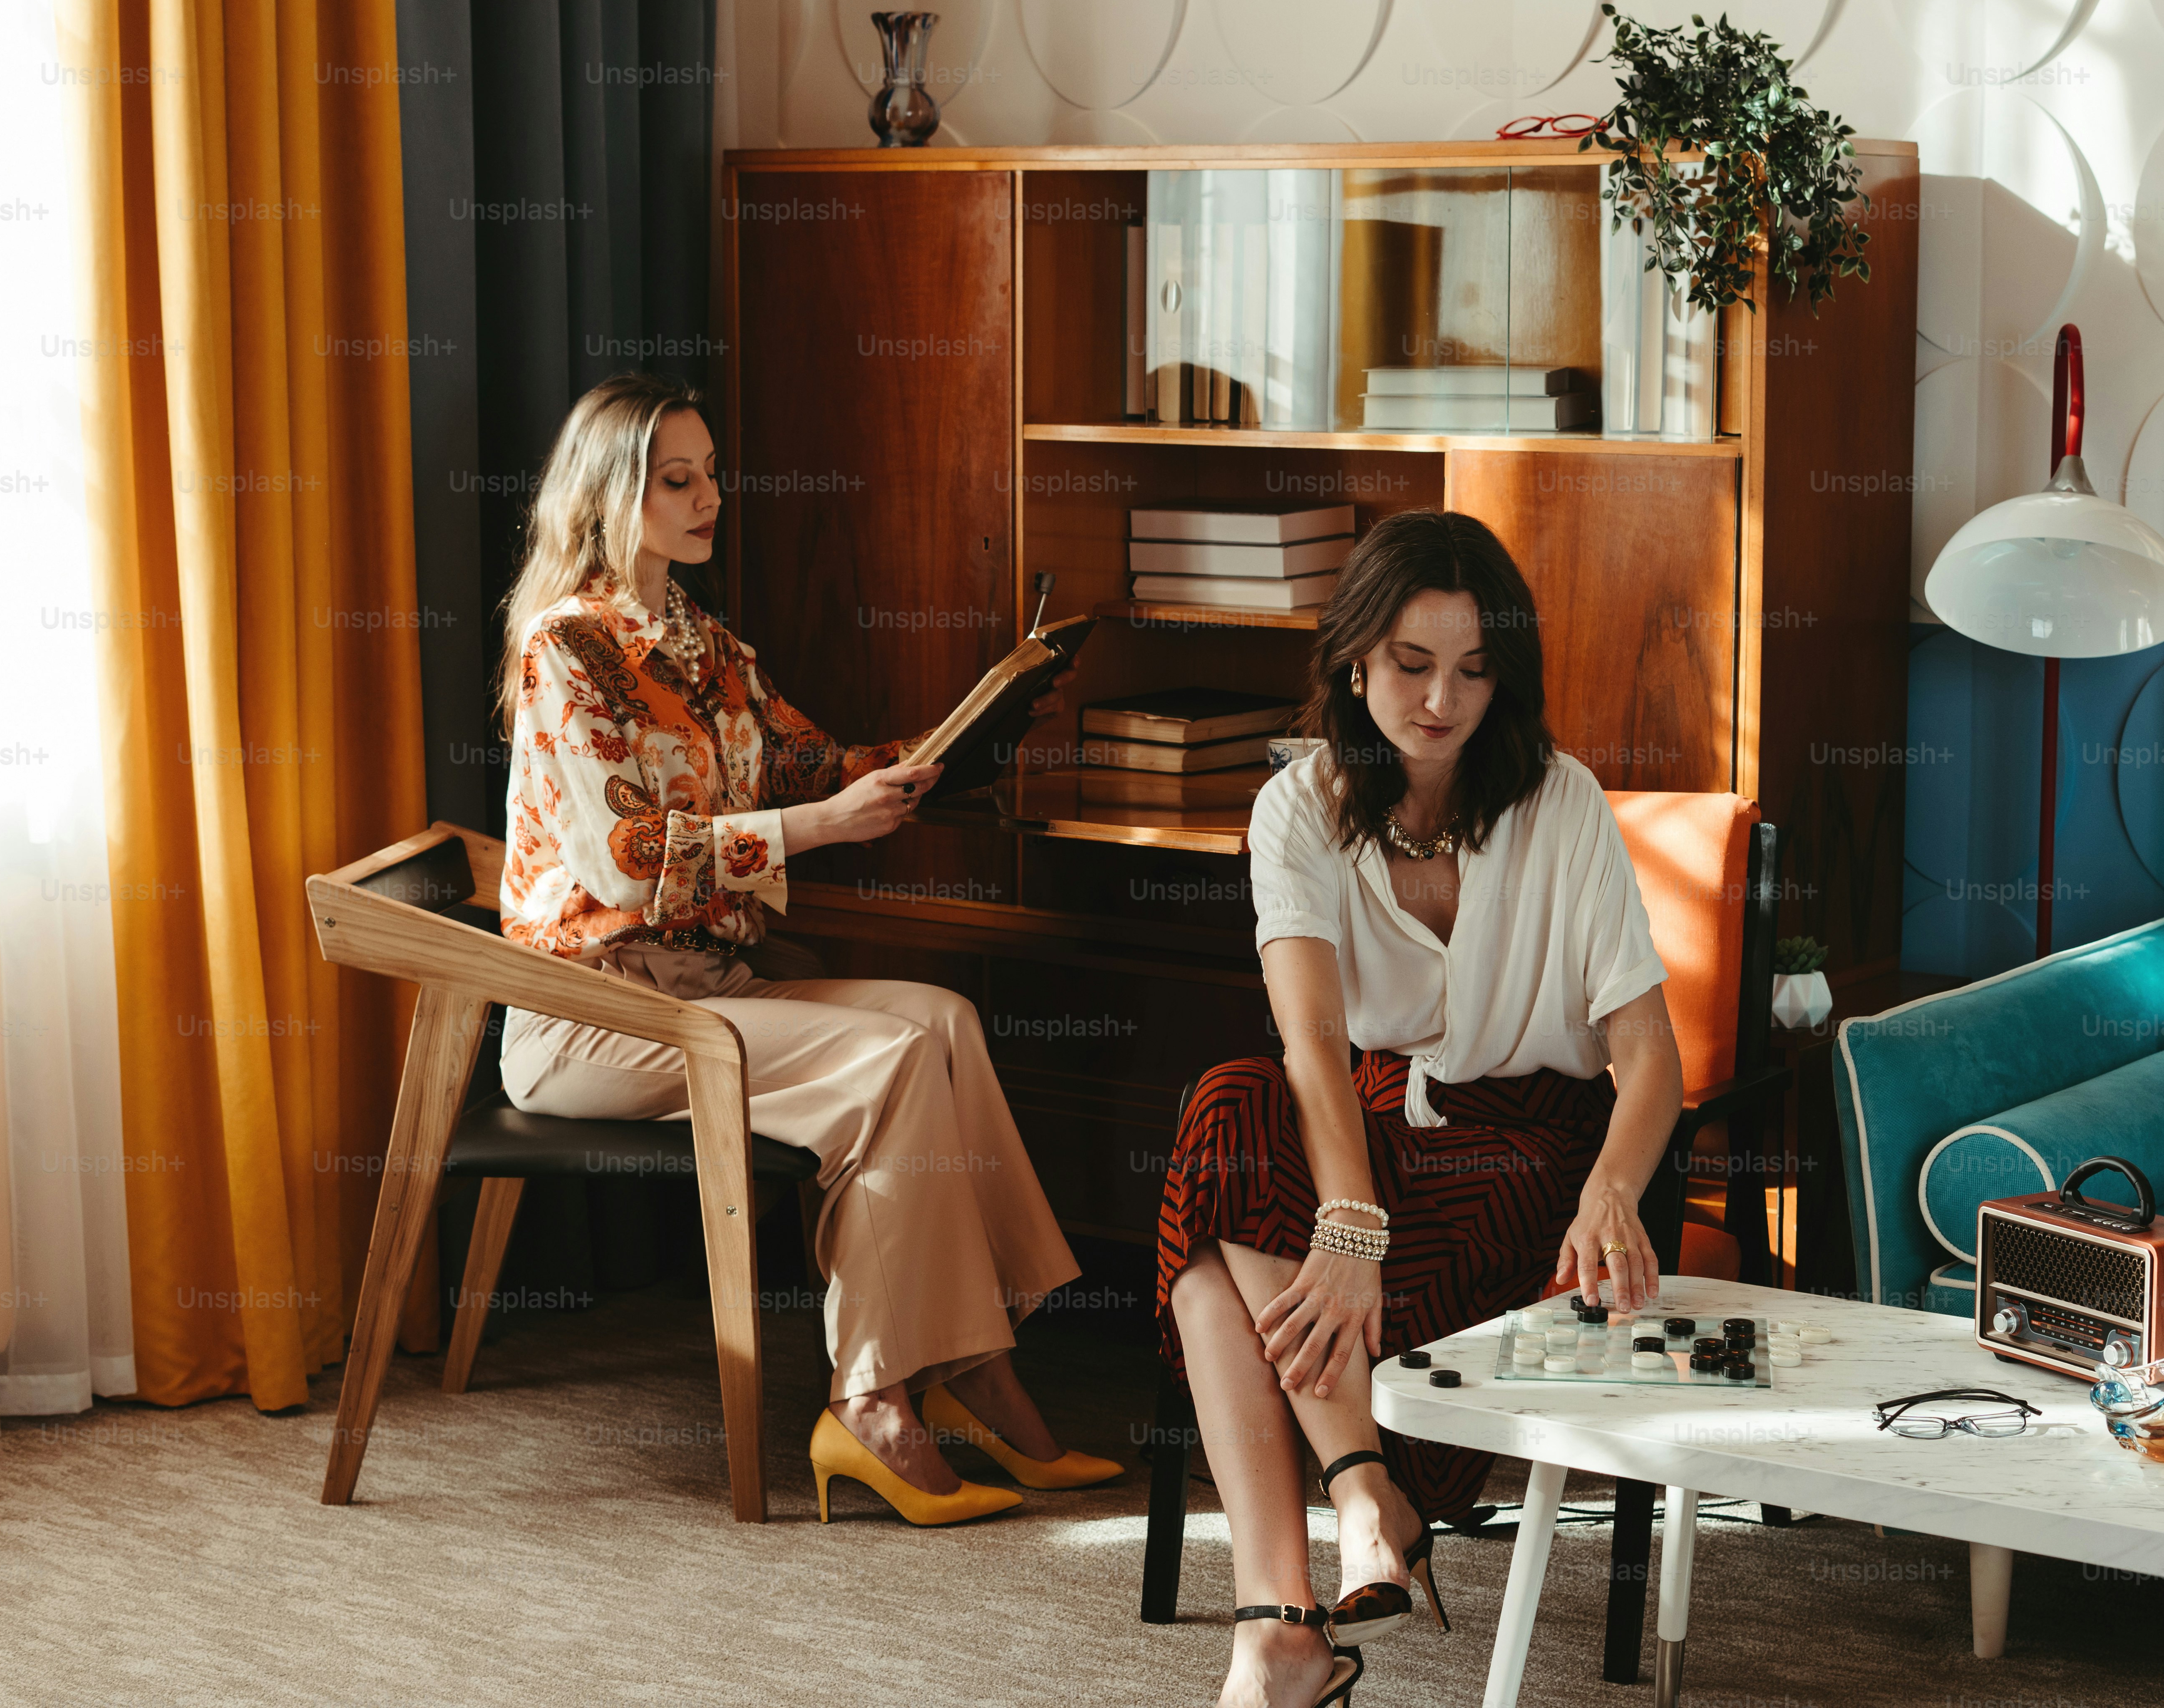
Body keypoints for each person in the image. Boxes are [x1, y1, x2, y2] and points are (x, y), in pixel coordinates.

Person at [493, 372, 1119, 1525]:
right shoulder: (567, 651)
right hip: (590, 1011)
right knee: (883, 1065)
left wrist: (953, 745)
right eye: (677, 479)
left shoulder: (702, 642)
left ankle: (969, 1359)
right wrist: (824, 826)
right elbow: (628, 862)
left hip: (707, 990)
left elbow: (807, 766)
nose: (711, 496)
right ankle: (880, 1397)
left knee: (943, 1018)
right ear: (607, 495)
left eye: (713, 473)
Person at [1158, 510, 1687, 1706]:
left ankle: (1299, 1612)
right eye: (1411, 665)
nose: (1441, 700)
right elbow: (1307, 1042)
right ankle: (1330, 1546)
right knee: (1230, 1108)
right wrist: (1349, 1224)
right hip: (1381, 1137)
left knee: (1210, 1265)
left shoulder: (1565, 803)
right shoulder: (1297, 807)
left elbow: (1650, 1056)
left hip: (1537, 1156)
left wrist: (1614, 1184)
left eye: (1473, 670)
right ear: (1356, 660)